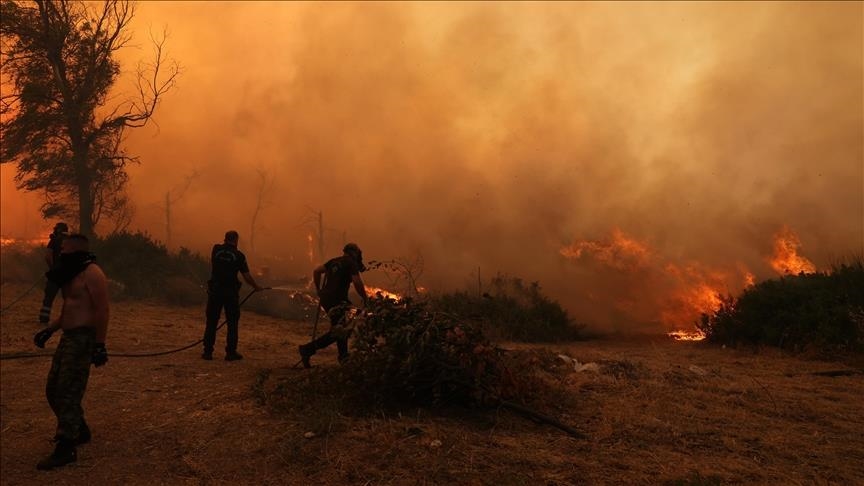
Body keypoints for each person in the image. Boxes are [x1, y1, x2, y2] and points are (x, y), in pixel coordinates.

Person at [32, 234, 109, 470]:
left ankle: (66, 447)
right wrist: (50, 330)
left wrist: (99, 344)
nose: (61, 252)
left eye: (64, 248)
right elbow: (69, 308)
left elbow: (102, 310)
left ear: (75, 249)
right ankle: (80, 428)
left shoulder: (93, 273)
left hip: (83, 339)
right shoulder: (72, 273)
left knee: (67, 391)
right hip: (68, 337)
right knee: (53, 389)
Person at [299, 243, 367, 368]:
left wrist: (318, 289)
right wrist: (365, 298)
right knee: (339, 331)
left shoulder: (334, 261)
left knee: (340, 327)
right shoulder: (351, 263)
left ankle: (343, 356)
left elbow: (317, 271)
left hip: (326, 298)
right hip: (337, 300)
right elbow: (357, 282)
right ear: (354, 253)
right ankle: (308, 349)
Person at [202, 230, 263, 361]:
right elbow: (246, 276)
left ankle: (207, 352)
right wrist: (256, 287)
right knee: (232, 323)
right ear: (236, 240)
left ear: (225, 239)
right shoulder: (239, 256)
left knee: (211, 321)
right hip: (230, 293)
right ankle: (230, 353)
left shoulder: (216, 249)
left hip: (215, 291)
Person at [39, 222, 69, 324]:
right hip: (68, 274)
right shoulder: (71, 241)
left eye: (55, 229)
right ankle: (68, 319)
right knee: (69, 298)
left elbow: (48, 256)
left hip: (55, 273)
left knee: (49, 297)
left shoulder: (54, 240)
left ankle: (44, 319)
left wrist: (52, 268)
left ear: (58, 230)